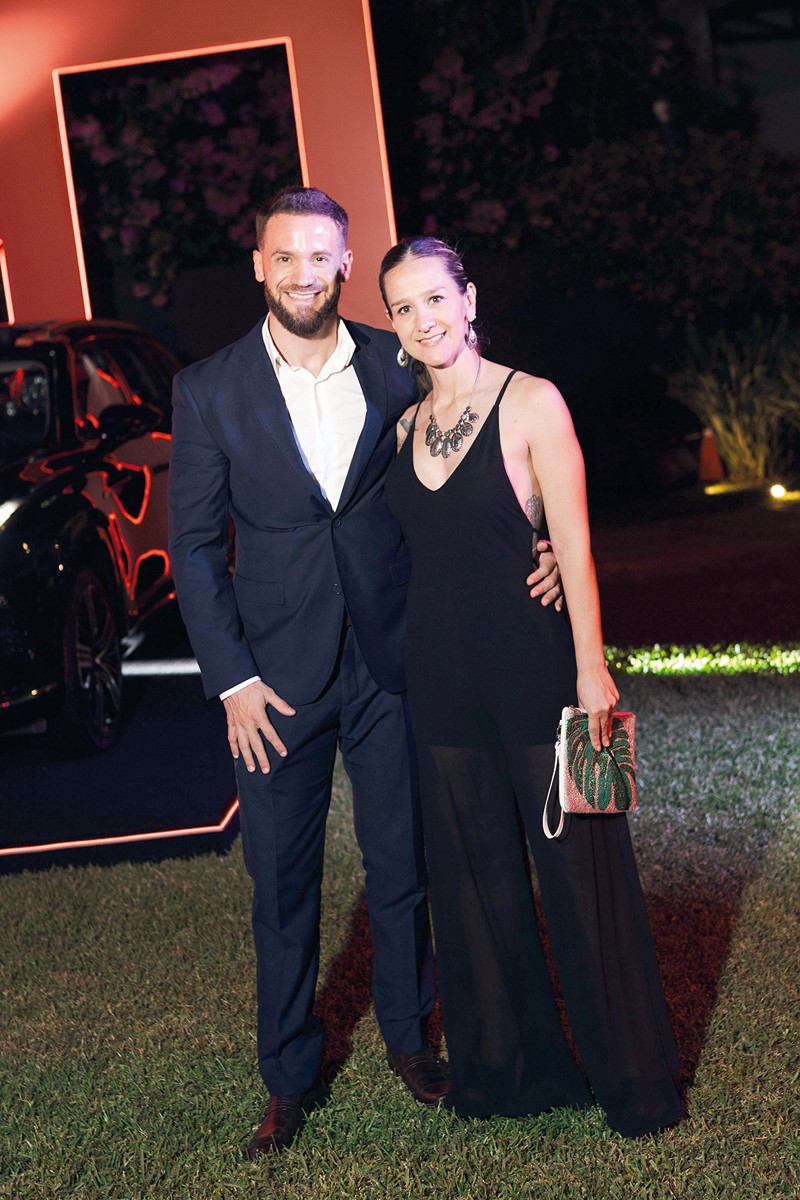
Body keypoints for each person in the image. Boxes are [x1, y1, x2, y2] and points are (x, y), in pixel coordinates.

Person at [167, 188, 563, 1157]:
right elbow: (192, 548)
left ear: (346, 264)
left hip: (393, 662)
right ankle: (287, 1077)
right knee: (281, 888)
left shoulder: (395, 361)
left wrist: (541, 537)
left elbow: (467, 459)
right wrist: (232, 681)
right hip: (272, 685)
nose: (303, 273)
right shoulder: (207, 389)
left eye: (321, 256)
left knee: (401, 868)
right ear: (258, 266)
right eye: (285, 256)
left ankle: (408, 1040)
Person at [382, 237, 683, 1138]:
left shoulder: (533, 401)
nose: (424, 320)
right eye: (403, 308)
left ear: (469, 299)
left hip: (539, 672)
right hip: (440, 681)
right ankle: (511, 1075)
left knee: (585, 882)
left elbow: (575, 549)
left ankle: (635, 1087)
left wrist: (592, 669)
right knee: (474, 890)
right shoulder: (402, 427)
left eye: (436, 298)